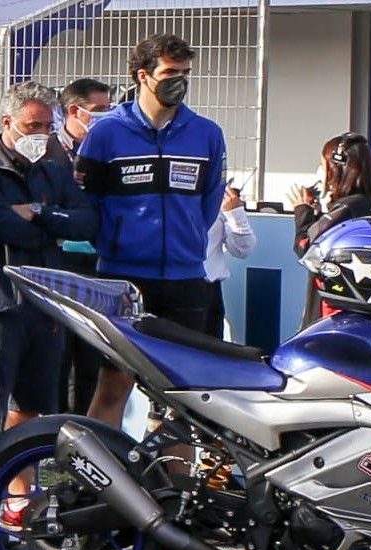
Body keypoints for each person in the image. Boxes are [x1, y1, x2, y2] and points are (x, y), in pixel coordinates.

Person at [76, 34, 227, 435]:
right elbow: (88, 203)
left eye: (185, 72)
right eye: (170, 72)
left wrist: (188, 240)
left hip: (186, 278)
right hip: (123, 279)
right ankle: (94, 487)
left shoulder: (207, 134)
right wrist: (116, 242)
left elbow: (209, 203)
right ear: (144, 76)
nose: (180, 79)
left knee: (182, 400)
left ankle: (171, 493)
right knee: (113, 384)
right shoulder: (106, 132)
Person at [0, 81, 98, 530]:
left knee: (32, 406)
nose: (41, 134)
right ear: (7, 123)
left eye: (48, 125)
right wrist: (44, 221)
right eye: (32, 125)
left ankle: (17, 498)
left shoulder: (54, 165)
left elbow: (86, 220)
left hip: (44, 304)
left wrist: (41, 213)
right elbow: (6, 228)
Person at [51, 77, 112, 416]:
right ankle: (55, 434)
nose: (107, 116)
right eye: (99, 110)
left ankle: (87, 436)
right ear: (74, 111)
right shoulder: (49, 151)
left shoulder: (109, 149)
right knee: (58, 355)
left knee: (93, 354)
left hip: (98, 261)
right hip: (60, 260)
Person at [292, 132, 371, 327]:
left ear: (337, 169)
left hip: (335, 315)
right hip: (359, 312)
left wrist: (302, 212)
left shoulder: (348, 207)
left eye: (322, 165)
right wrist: (317, 215)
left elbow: (305, 247)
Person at [203, 186, 256, 338]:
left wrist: (236, 214)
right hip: (168, 284)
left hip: (208, 291)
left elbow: (242, 250)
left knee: (210, 354)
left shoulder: (220, 197)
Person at [47, 77, 112, 166]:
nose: (106, 114)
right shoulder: (46, 150)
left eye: (107, 108)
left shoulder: (113, 146)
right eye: (98, 109)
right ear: (74, 111)